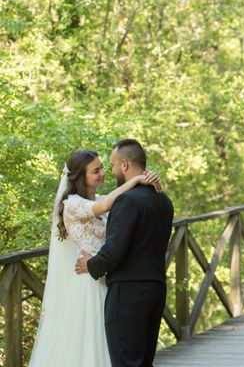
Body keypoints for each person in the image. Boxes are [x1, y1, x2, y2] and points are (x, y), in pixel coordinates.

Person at [29, 148, 162, 367]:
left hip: (110, 279)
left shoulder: (107, 198)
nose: (103, 173)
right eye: (96, 170)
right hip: (87, 282)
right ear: (81, 177)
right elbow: (103, 206)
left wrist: (149, 178)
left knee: (117, 344)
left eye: (103, 167)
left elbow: (114, 205)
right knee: (90, 343)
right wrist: (139, 178)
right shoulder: (71, 204)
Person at [75, 139, 174, 367]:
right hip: (156, 288)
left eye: (112, 165)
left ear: (125, 165)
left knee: (126, 361)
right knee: (143, 361)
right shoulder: (163, 200)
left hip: (128, 292)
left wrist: (91, 265)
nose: (111, 171)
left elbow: (114, 251)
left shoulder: (127, 200)